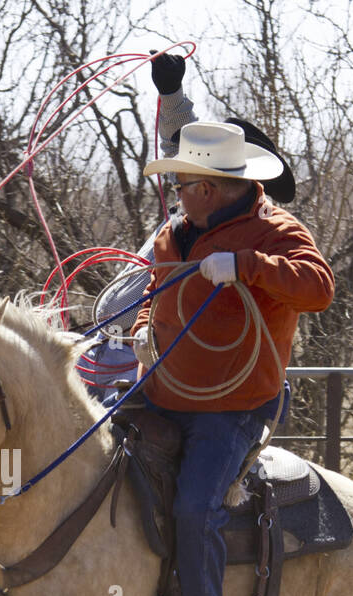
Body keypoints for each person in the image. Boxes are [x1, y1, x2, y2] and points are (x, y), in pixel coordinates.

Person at [127, 116, 334, 596]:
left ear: (209, 188)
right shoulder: (177, 233)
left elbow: (319, 288)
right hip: (162, 388)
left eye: (183, 183)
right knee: (82, 460)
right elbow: (157, 294)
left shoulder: (274, 231)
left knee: (196, 507)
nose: (175, 194)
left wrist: (247, 266)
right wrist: (144, 328)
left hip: (234, 407)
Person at [84, 52, 297, 401]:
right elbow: (178, 142)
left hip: (154, 362)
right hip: (111, 346)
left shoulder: (258, 231)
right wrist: (171, 94)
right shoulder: (197, 208)